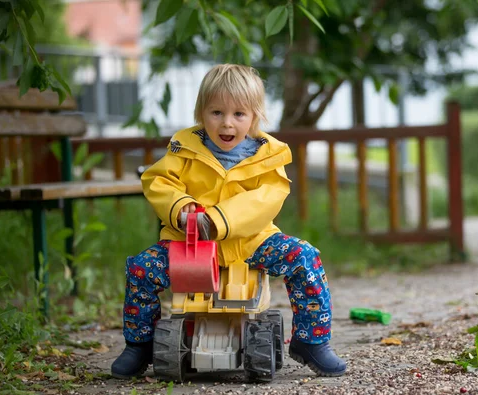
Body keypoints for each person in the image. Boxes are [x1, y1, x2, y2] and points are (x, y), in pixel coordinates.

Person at [110, 64, 346, 379]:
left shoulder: (266, 156)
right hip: (189, 242)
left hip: (251, 241)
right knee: (142, 268)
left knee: (304, 257)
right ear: (201, 113)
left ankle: (311, 340)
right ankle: (139, 344)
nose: (227, 123)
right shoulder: (184, 149)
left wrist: (220, 220)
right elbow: (159, 182)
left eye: (239, 114)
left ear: (255, 116)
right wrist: (182, 208)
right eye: (217, 112)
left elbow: (267, 198)